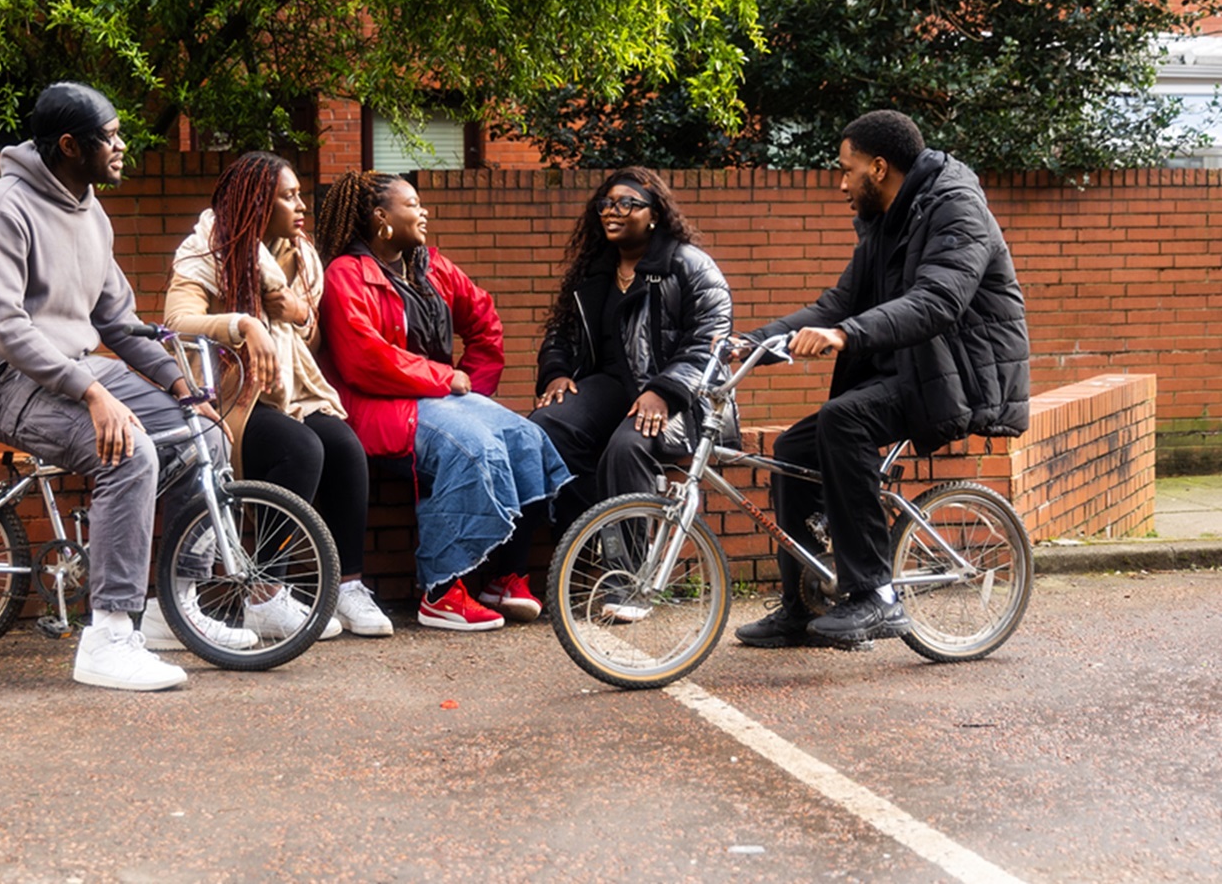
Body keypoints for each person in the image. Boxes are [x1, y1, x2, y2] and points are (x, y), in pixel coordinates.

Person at [0, 81, 250, 692]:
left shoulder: (91, 209)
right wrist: (91, 392)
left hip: (76, 368)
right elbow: (6, 329)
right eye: (109, 137)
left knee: (202, 437)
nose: (121, 146)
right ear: (67, 146)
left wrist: (177, 380)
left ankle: (173, 607)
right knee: (129, 452)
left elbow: (116, 322)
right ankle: (108, 636)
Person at [734, 109, 1030, 649]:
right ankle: (802, 605)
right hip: (912, 366)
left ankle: (876, 595)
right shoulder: (887, 221)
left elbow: (939, 301)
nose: (841, 183)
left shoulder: (957, 208)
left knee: (842, 419)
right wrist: (752, 344)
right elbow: (839, 303)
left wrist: (845, 335)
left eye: (846, 171)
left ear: (878, 166)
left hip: (957, 372)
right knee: (793, 451)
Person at [315, 171, 572, 632]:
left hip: (439, 398)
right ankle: (442, 590)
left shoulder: (430, 266)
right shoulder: (346, 274)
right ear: (381, 217)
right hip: (376, 405)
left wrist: (472, 385)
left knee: (528, 439)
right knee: (474, 448)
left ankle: (505, 578)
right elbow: (363, 359)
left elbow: (484, 321)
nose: (424, 212)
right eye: (412, 204)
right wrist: (444, 378)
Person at [157, 150, 391, 639]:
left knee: (345, 447)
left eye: (299, 194)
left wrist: (299, 313)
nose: (301, 206)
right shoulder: (206, 248)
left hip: (290, 388)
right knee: (300, 449)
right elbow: (176, 323)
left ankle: (347, 585)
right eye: (288, 197)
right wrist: (242, 323)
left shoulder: (301, 255)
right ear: (257, 205)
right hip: (230, 394)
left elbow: (311, 340)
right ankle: (264, 593)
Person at [531, 166, 735, 542]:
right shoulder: (594, 271)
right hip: (610, 386)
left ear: (654, 215)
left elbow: (711, 341)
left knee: (625, 448)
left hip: (680, 397)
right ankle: (590, 543)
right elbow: (561, 332)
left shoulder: (688, 266)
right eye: (606, 204)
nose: (612, 211)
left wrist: (664, 390)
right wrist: (556, 372)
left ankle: (627, 576)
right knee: (546, 429)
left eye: (627, 203)